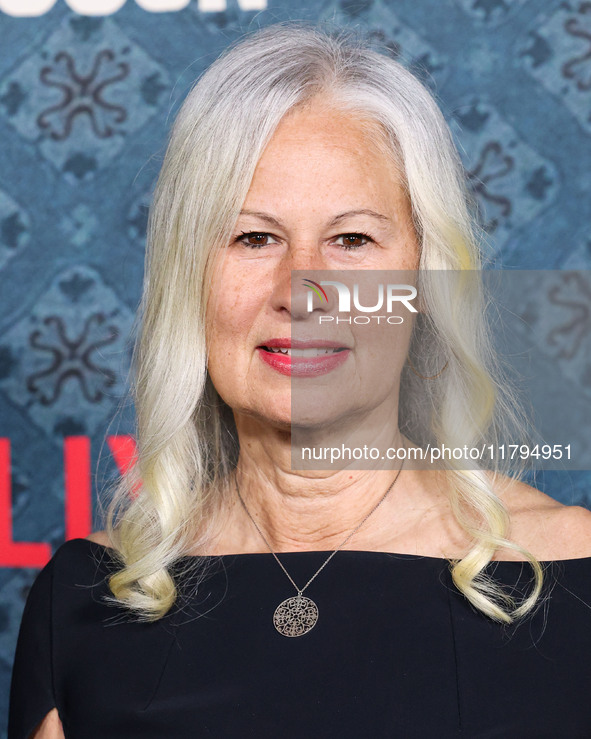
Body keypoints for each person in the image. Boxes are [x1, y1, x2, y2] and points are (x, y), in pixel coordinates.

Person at [8, 21, 591, 739]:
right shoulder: (88, 601)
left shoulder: (572, 575)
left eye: (351, 240)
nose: (302, 289)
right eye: (253, 237)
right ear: (189, 277)